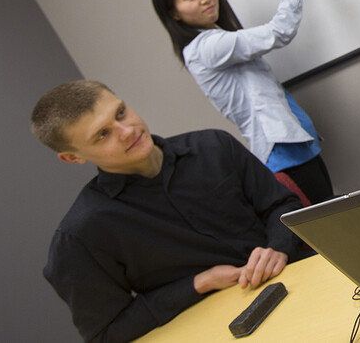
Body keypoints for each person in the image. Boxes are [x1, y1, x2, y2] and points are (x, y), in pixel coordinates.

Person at [32, 80, 306, 342]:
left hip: (297, 279)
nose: (127, 130)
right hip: (217, 328)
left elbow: (283, 205)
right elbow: (107, 332)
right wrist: (198, 283)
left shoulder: (214, 145)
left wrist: (278, 246)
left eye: (121, 113)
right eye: (103, 134)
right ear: (73, 157)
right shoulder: (82, 233)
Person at [151, 0, 334, 204]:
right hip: (282, 151)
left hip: (293, 144)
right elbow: (279, 31)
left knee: (333, 212)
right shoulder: (206, 48)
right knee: (328, 222)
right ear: (173, 12)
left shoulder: (216, 40)